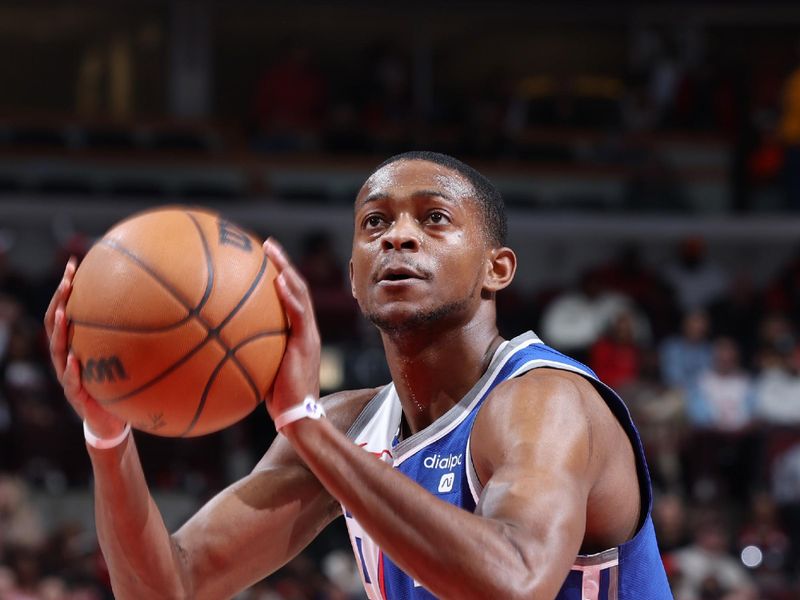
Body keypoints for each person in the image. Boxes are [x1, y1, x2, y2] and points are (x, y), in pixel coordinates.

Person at [44, 151, 672, 599]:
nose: (398, 236)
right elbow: (169, 585)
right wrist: (107, 433)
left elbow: (517, 581)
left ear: (497, 270)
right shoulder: (346, 426)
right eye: (375, 222)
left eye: (434, 218)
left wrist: (305, 423)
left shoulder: (544, 400)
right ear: (351, 276)